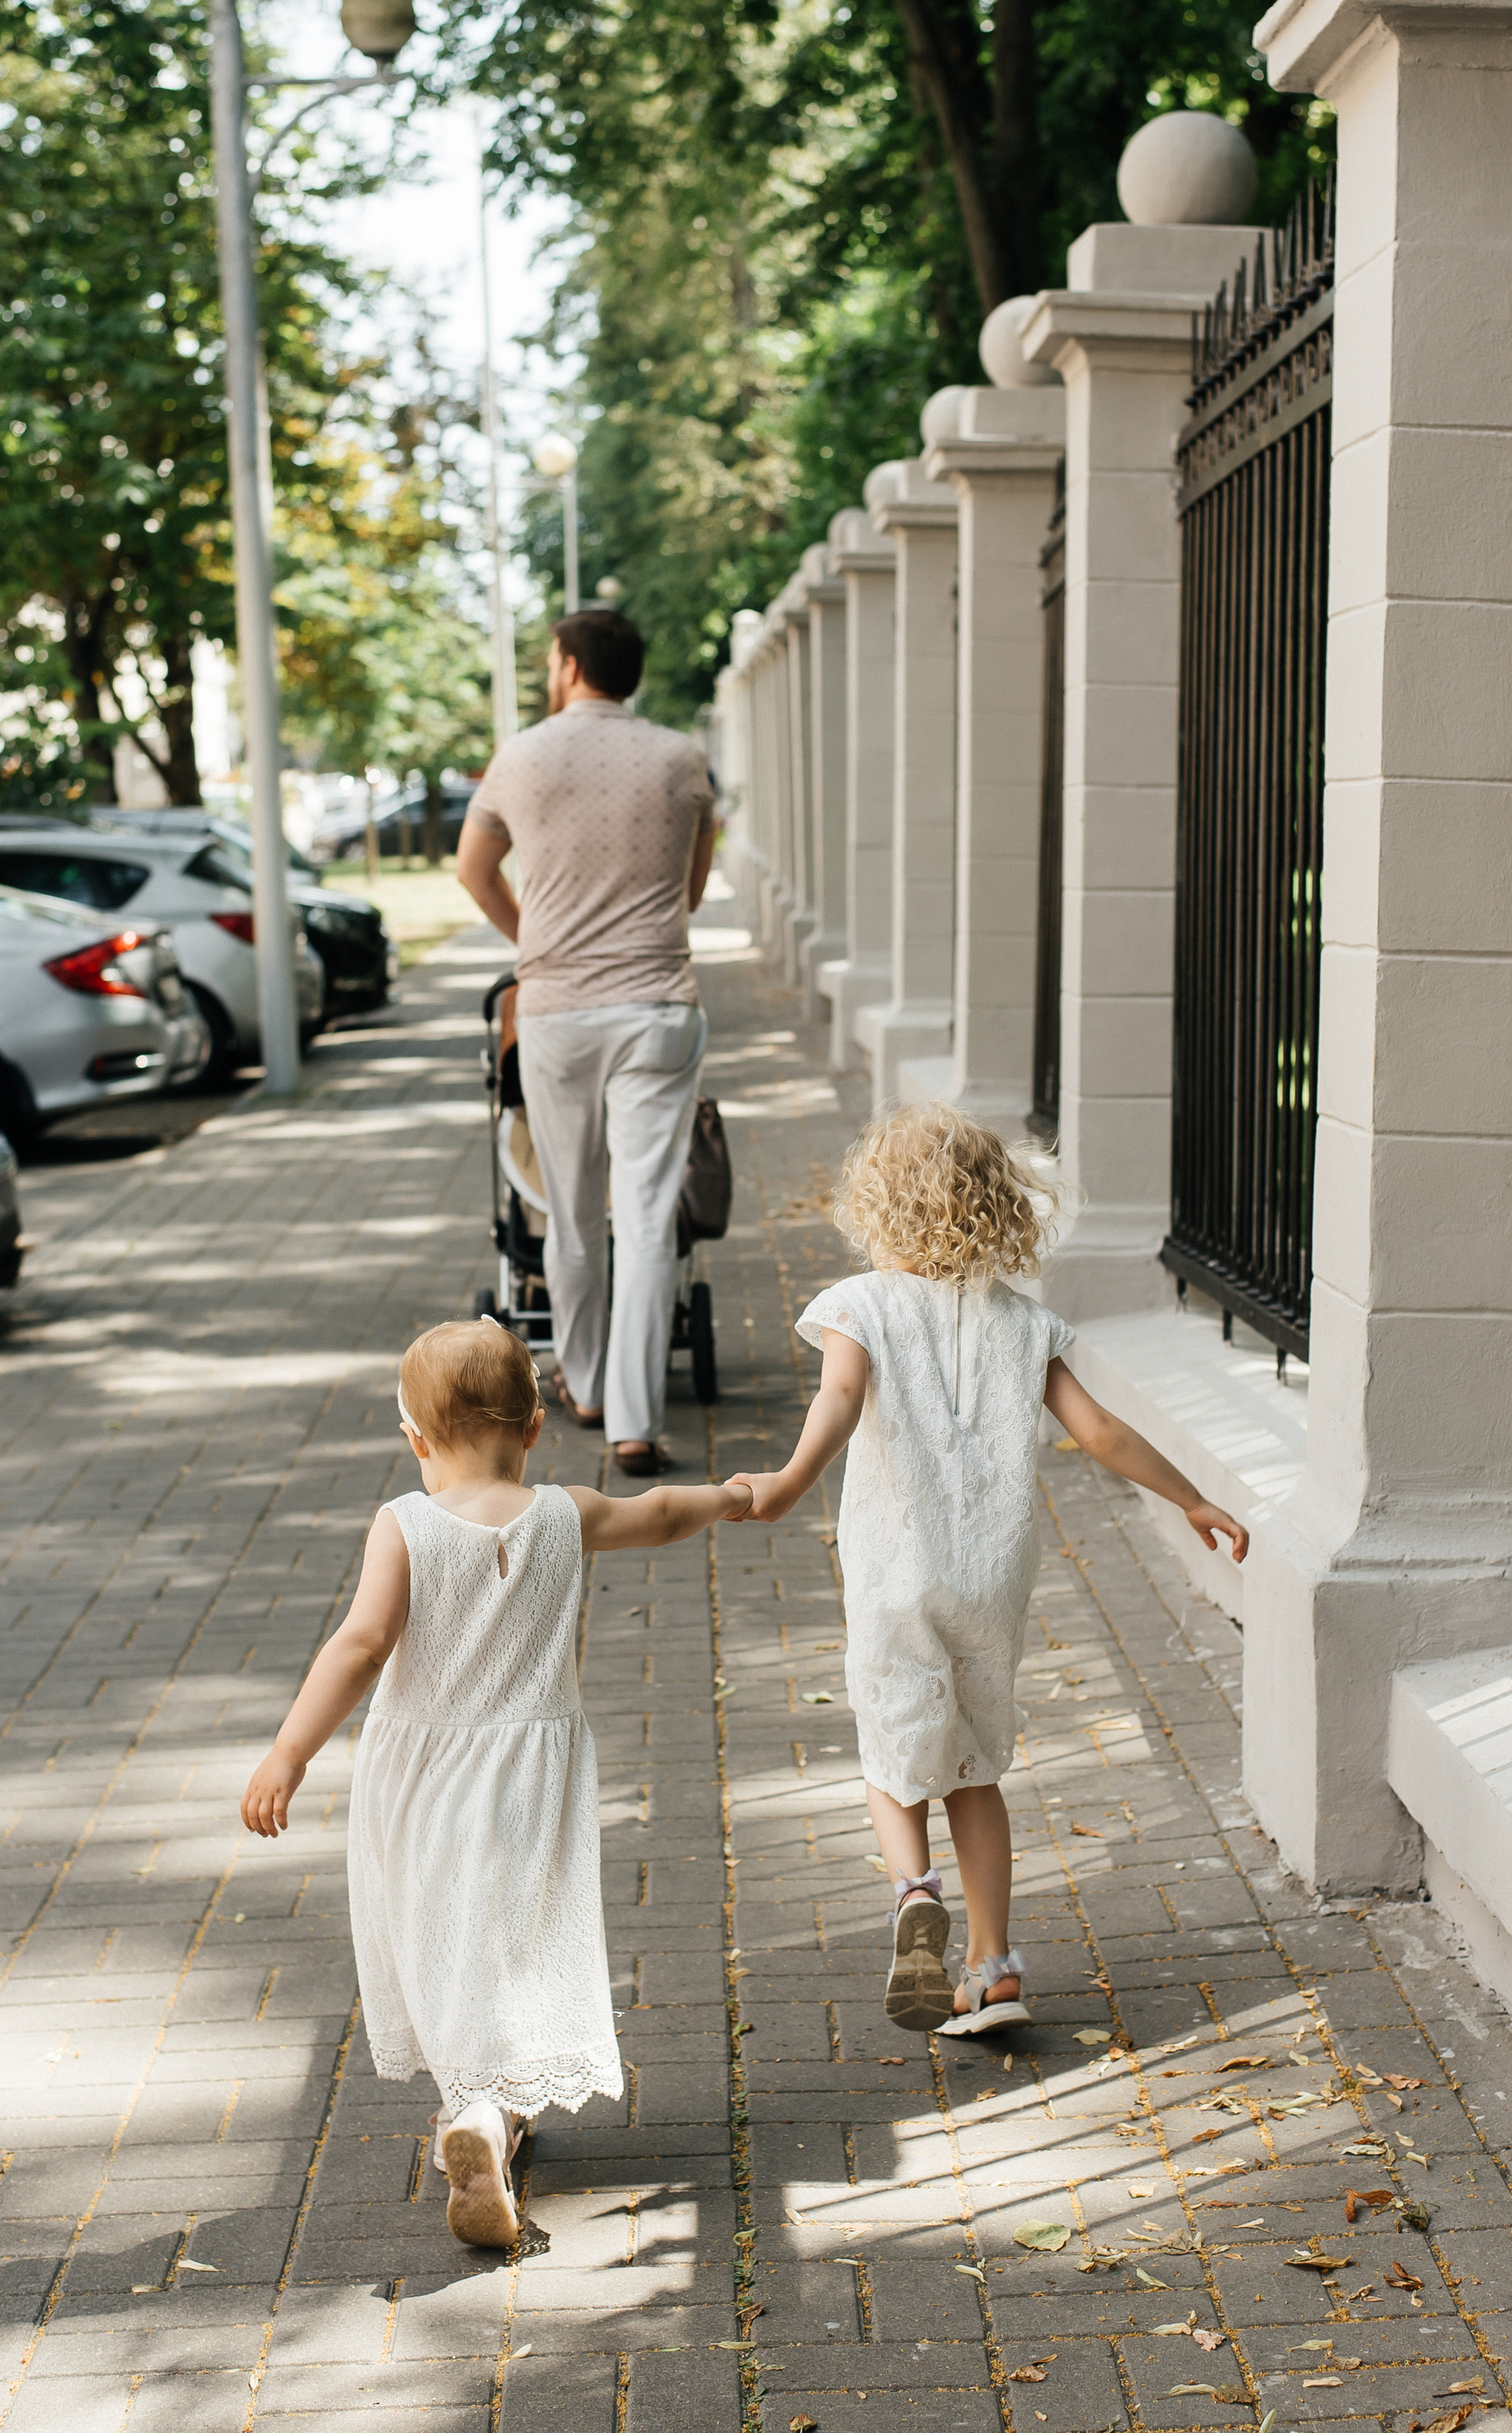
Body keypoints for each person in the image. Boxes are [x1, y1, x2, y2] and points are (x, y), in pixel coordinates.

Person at [727, 1105, 1248, 2036]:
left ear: (877, 1208)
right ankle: (994, 1965)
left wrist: (790, 1479)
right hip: (993, 1578)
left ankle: (913, 1891)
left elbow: (839, 1402)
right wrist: (1193, 1499)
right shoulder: (1026, 1324)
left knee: (893, 1751)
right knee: (974, 1764)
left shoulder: (860, 1307)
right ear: (998, 1207)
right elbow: (1101, 1434)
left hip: (896, 1570)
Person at [240, 1317, 752, 2246]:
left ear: (418, 1441)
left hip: (425, 1777)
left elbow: (359, 1648)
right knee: (511, 1938)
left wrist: (290, 1751)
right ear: (532, 1430)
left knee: (447, 1935)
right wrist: (726, 1497)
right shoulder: (566, 1511)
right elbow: (662, 1514)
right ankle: (493, 2113)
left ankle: (471, 2111)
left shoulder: (404, 1525)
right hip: (531, 1781)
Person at [457, 609, 715, 1476]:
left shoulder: (519, 756)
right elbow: (692, 894)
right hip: (655, 1007)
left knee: (570, 1210)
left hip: (558, 1009)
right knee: (646, 1218)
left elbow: (472, 870)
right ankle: (635, 1425)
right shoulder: (683, 759)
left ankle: (588, 1381)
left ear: (569, 666)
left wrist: (534, 941)